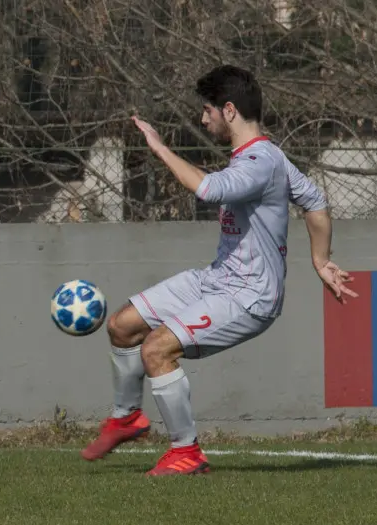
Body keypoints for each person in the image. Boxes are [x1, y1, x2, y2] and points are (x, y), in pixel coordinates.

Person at [80, 65, 358, 475]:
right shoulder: (270, 155)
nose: (203, 117)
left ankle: (186, 453)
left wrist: (159, 148)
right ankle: (126, 418)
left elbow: (209, 189)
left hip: (249, 296)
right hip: (216, 279)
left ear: (229, 110)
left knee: (156, 349)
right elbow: (314, 202)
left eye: (207, 110)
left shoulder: (261, 161)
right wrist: (319, 259)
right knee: (122, 325)